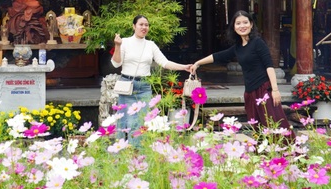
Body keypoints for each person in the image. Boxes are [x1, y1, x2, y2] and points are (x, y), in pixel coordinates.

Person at [190, 10, 294, 139]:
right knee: (258, 128)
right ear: (234, 27)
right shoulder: (238, 47)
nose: (242, 26)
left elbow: (269, 66)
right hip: (250, 92)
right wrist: (198, 63)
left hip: (263, 90)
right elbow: (218, 56)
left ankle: (289, 154)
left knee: (275, 125)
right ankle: (263, 156)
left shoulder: (257, 42)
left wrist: (275, 90)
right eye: (238, 23)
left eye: (245, 22)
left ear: (251, 24)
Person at [111, 15, 192, 146]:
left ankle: (138, 154)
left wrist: (184, 67)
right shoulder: (124, 42)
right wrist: (117, 46)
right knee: (124, 122)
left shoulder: (150, 45)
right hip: (126, 86)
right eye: (141, 24)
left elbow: (164, 62)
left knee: (140, 123)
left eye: (146, 25)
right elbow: (116, 64)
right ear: (134, 26)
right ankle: (121, 153)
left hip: (144, 87)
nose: (144, 27)